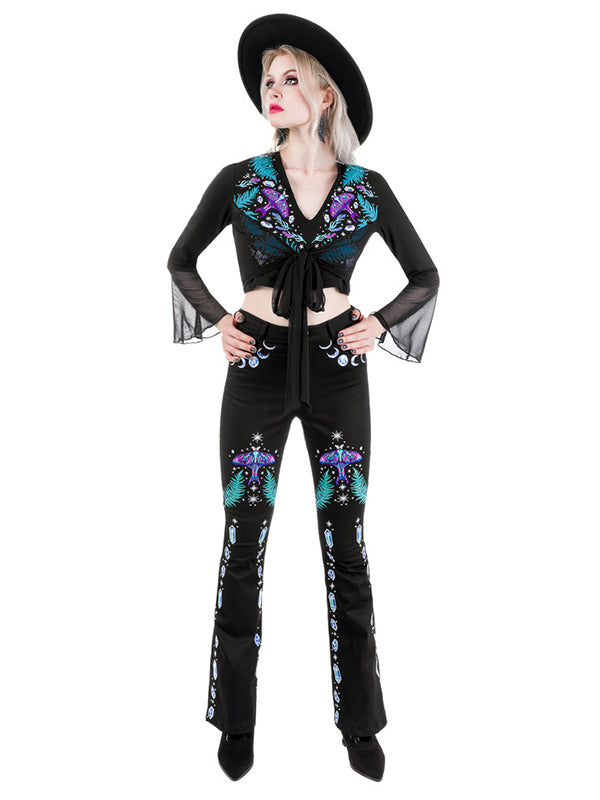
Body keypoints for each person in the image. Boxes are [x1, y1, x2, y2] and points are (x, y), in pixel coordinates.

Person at [166, 13, 440, 782]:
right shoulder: (240, 179)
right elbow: (180, 259)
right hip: (256, 368)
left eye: (291, 79)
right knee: (244, 538)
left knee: (346, 541)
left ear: (325, 96)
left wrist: (377, 323)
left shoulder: (367, 189)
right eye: (267, 80)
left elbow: (426, 275)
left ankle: (360, 723)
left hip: (337, 372)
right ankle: (236, 719)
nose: (274, 90)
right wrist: (219, 322)